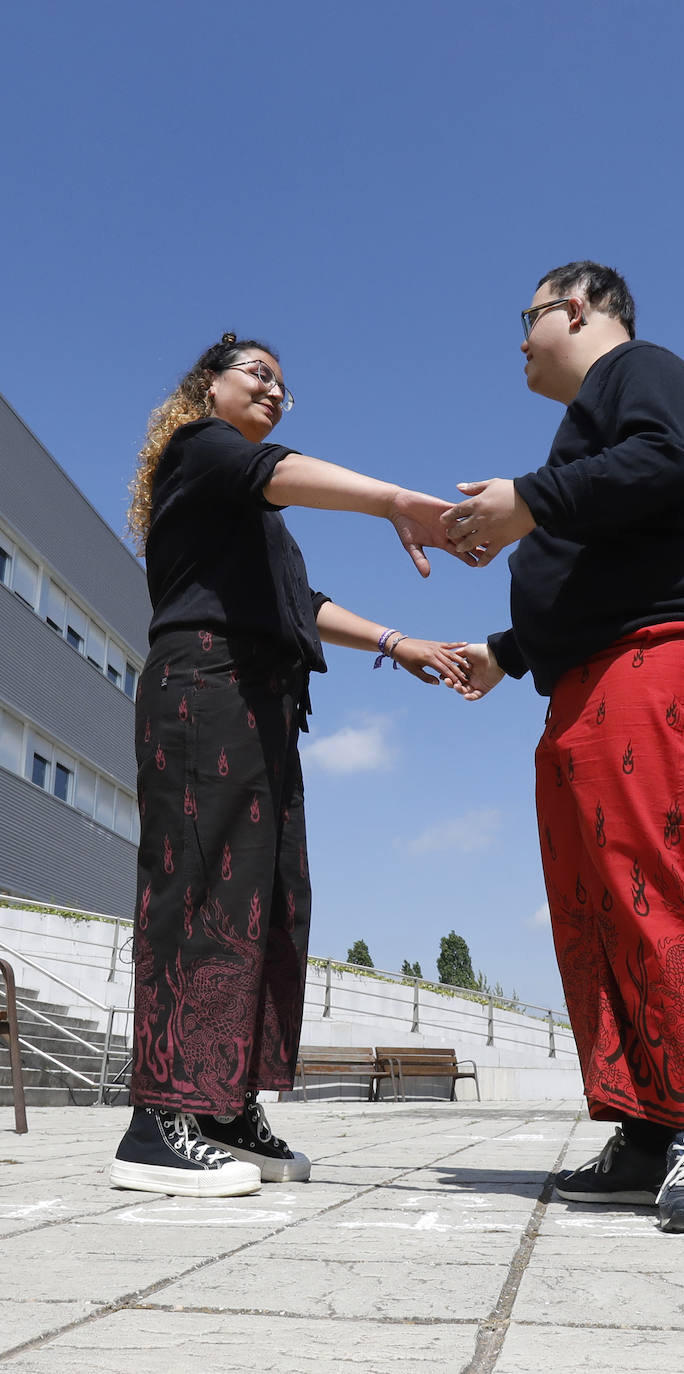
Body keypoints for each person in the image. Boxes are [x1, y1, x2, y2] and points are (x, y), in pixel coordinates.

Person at [110, 334, 468, 1198]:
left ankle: (224, 1105)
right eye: (258, 374)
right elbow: (275, 468)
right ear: (206, 388)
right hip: (204, 688)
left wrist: (397, 640)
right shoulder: (204, 453)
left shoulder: (254, 519)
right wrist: (392, 501)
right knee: (194, 890)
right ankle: (158, 1120)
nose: (275, 389)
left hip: (263, 704)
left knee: (265, 903)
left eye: (284, 384)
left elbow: (298, 605)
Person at [443, 263, 684, 1233]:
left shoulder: (643, 370)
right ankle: (644, 1128)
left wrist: (529, 501)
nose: (522, 344)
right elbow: (599, 564)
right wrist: (505, 651)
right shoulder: (583, 428)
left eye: (528, 320)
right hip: (586, 671)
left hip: (660, 648)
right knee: (587, 904)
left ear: (575, 309)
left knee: (646, 880)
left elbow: (664, 463)